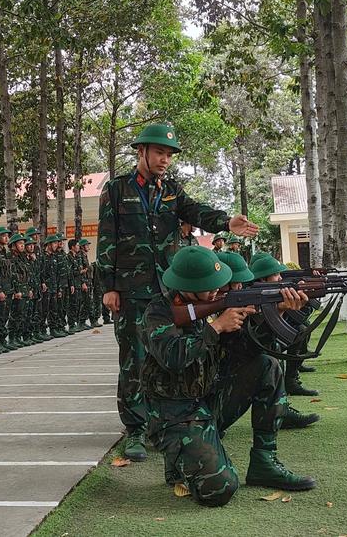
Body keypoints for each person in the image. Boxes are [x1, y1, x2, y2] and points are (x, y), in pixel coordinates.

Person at [97, 122, 259, 461]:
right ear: (141, 151)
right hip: (131, 289)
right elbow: (107, 238)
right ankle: (136, 429)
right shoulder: (116, 189)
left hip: (169, 289)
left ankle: (167, 420)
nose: (165, 160)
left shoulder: (171, 190)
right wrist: (108, 287)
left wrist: (226, 222)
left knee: (170, 352)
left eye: (169, 155)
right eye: (159, 152)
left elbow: (195, 211)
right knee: (133, 358)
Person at [143, 246, 309, 506]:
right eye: (209, 286)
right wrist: (216, 326)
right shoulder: (158, 311)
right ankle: (179, 460)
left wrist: (277, 313)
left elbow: (247, 351)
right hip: (174, 413)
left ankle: (264, 461)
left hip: (210, 399)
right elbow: (172, 357)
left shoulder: (216, 304)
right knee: (219, 489)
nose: (216, 290)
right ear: (188, 286)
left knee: (266, 365)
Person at [217, 252, 320, 432]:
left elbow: (252, 347)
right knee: (266, 360)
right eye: (236, 283)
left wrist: (279, 311)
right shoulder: (206, 314)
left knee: (269, 357)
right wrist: (217, 326)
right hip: (203, 400)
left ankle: (280, 410)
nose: (241, 286)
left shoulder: (236, 304)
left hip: (218, 388)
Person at [250, 253, 319, 398]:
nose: (281, 278)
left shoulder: (271, 292)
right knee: (276, 347)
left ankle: (291, 381)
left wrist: (304, 300)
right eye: (276, 275)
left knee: (301, 329)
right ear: (262, 279)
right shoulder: (252, 296)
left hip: (265, 342)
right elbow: (261, 332)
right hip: (255, 348)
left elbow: (299, 319)